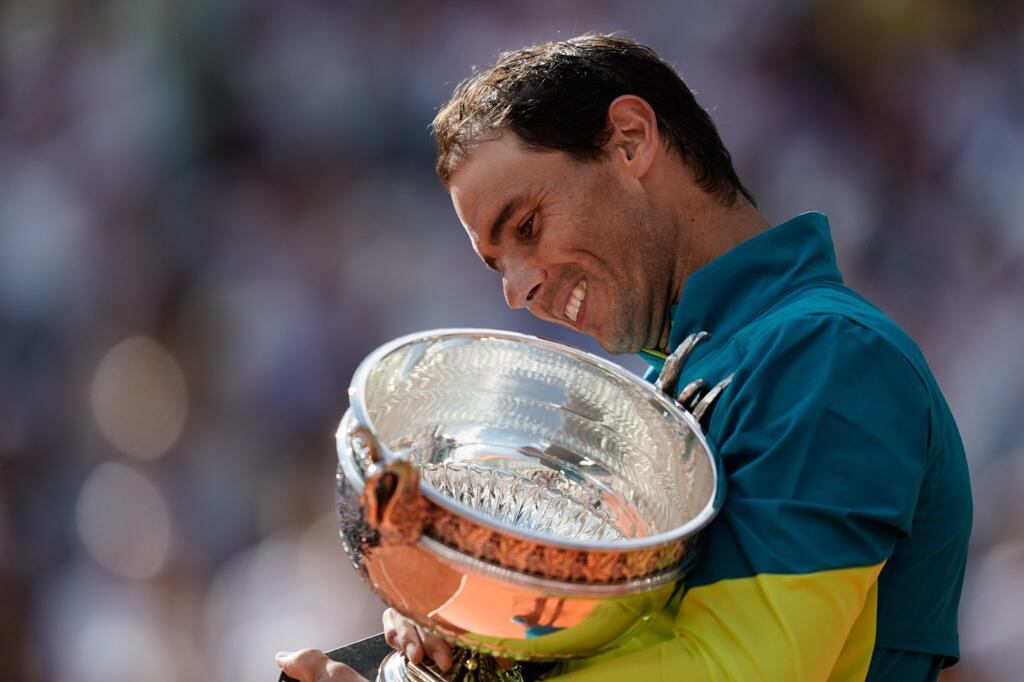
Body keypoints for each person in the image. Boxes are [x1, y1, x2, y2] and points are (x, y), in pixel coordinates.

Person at [277, 34, 972, 682]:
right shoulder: (668, 394)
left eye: (526, 226)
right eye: (497, 265)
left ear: (632, 141)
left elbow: (741, 668)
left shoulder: (828, 354)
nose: (517, 290)